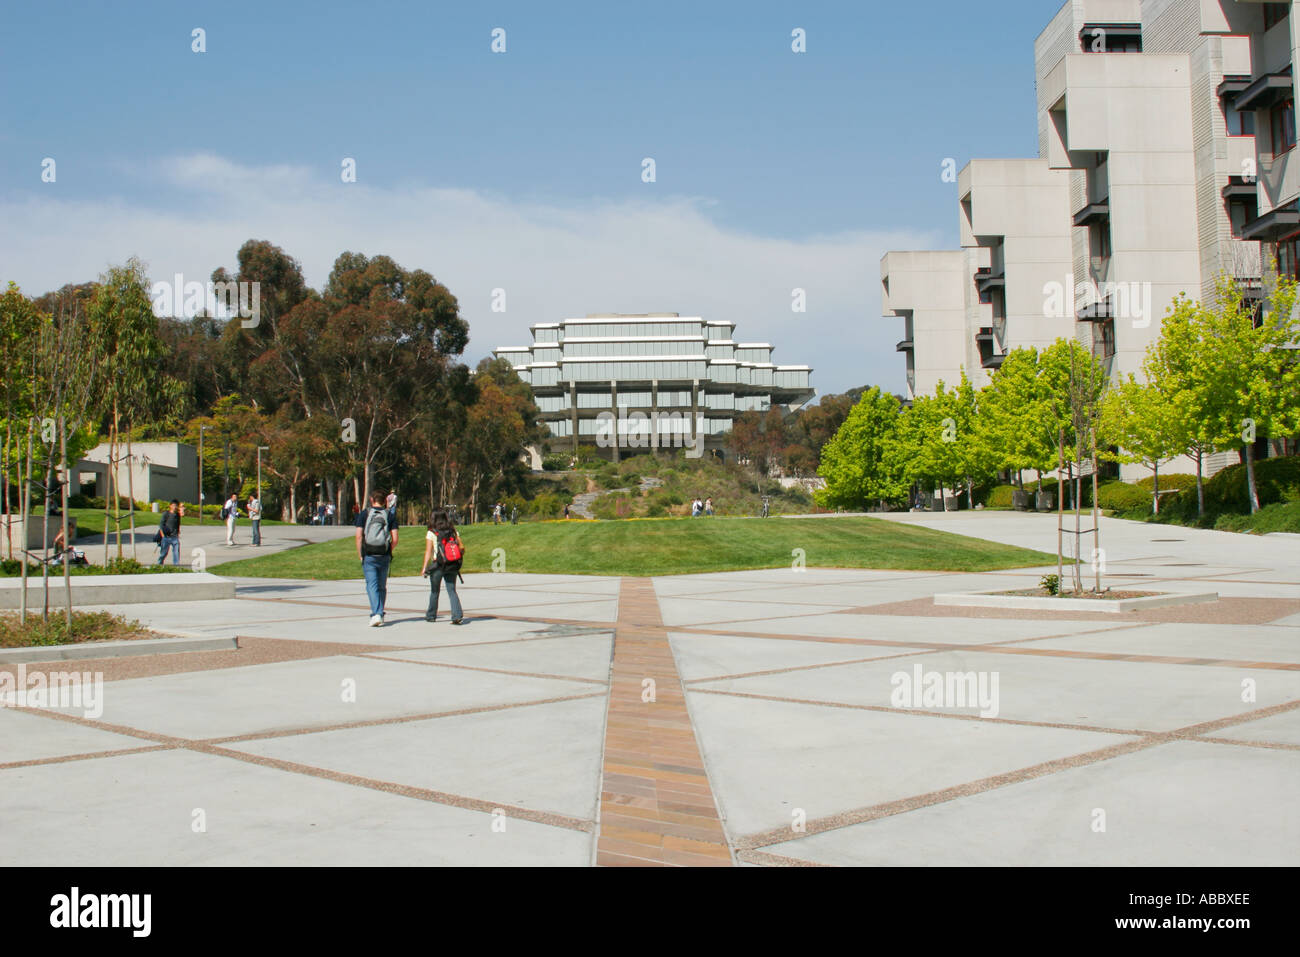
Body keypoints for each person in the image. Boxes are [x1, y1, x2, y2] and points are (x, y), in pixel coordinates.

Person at [355, 490, 398, 626]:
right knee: (381, 586)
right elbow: (395, 539)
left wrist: (360, 554)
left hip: (369, 554)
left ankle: (377, 613)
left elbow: (358, 536)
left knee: (371, 585)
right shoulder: (389, 515)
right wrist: (388, 549)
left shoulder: (365, 514)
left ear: (371, 499)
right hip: (384, 555)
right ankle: (379, 612)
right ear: (385, 500)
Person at [421, 508, 464, 625]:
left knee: (435, 591)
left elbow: (428, 551)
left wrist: (425, 567)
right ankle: (457, 615)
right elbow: (461, 547)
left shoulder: (432, 532)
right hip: (452, 564)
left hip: (438, 565)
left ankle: (431, 615)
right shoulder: (453, 531)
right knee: (452, 590)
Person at [158, 500, 182, 566]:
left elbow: (178, 525)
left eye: (176, 506)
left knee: (176, 552)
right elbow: (161, 525)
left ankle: (176, 565)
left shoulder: (177, 515)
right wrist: (162, 535)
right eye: (173, 505)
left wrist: (178, 533)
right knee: (164, 553)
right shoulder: (166, 514)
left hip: (174, 537)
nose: (175, 507)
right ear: (170, 506)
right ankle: (159, 563)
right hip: (166, 537)